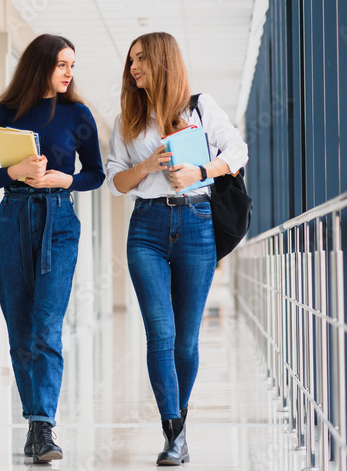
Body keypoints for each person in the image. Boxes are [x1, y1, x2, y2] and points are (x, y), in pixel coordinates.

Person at [105, 32, 248, 466]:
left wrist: (200, 171)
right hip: (146, 227)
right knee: (160, 333)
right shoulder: (126, 120)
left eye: (142, 59)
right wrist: (146, 166)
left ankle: (179, 427)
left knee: (185, 340)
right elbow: (115, 180)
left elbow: (238, 150)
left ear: (164, 61)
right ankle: (173, 432)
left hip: (197, 222)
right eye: (131, 60)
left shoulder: (202, 108)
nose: (134, 68)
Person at [0, 33, 104, 464]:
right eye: (62, 64)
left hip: (59, 222)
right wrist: (15, 170)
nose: (69, 73)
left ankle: (44, 426)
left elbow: (96, 175)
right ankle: (34, 422)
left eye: (72, 65)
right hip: (12, 220)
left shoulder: (78, 114)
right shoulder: (5, 112)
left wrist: (63, 179)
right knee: (19, 328)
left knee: (47, 326)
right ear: (40, 65)